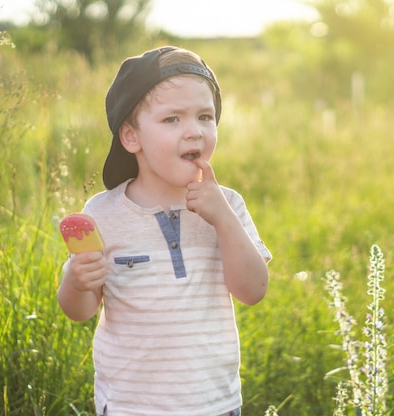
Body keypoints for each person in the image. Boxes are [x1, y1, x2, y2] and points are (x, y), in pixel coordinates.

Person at [57, 46, 271, 416]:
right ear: (131, 137)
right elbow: (81, 310)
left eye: (205, 116)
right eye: (172, 120)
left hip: (213, 404)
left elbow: (253, 291)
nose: (194, 132)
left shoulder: (228, 205)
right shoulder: (103, 213)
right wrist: (77, 282)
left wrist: (222, 219)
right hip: (130, 406)